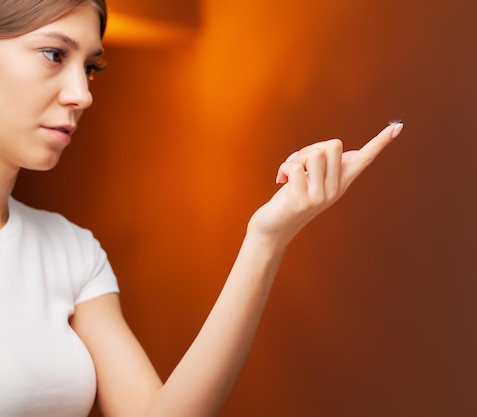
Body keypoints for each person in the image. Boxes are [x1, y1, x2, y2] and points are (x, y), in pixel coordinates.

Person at [0, 0, 404, 416]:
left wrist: (265, 240)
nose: (82, 95)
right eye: (54, 54)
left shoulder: (71, 253)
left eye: (89, 68)